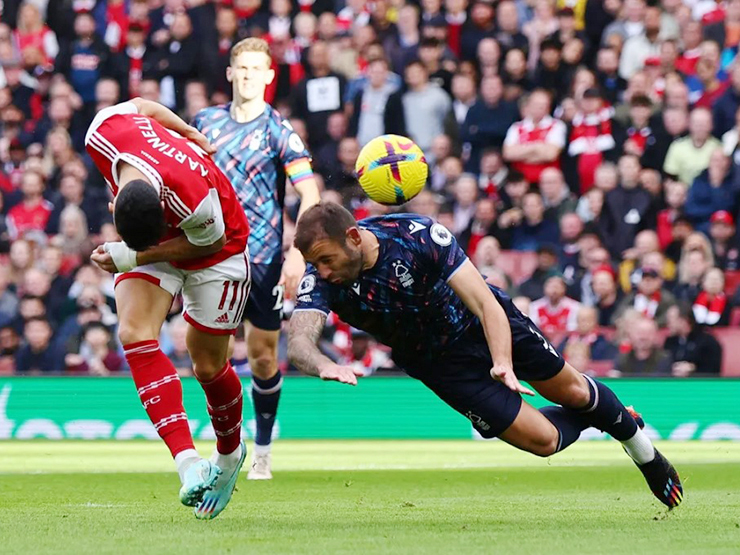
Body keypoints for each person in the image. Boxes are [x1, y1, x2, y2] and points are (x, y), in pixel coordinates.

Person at [288, 202, 683, 510]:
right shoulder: (322, 280)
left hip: (485, 325)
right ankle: (608, 417)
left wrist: (502, 362)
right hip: (439, 365)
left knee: (575, 393)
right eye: (314, 263)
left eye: (326, 260)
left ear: (354, 238)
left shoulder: (418, 236)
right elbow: (299, 343)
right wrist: (325, 364)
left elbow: (484, 304)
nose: (321, 272)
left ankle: (646, 455)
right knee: (543, 442)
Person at [85, 97, 251, 519]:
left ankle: (230, 456)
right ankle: (187, 462)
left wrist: (131, 257)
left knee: (208, 366)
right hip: (157, 243)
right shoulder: (102, 131)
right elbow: (142, 105)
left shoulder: (194, 200)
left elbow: (208, 240)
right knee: (133, 332)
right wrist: (186, 130)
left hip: (220, 248)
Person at [193, 37, 321, 480]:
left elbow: (311, 194)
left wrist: (297, 255)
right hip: (211, 256)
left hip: (263, 258)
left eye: (255, 69)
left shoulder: (279, 131)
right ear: (229, 73)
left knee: (264, 357)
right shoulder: (204, 123)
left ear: (269, 77)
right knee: (212, 358)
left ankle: (262, 447)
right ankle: (226, 446)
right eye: (240, 68)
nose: (247, 76)